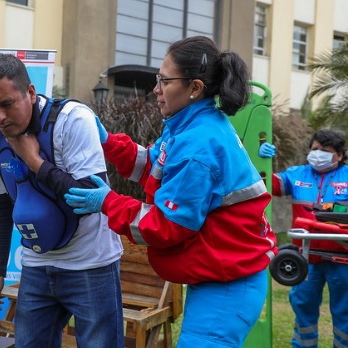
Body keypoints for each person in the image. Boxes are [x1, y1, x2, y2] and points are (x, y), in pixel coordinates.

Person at [64, 36, 278, 348]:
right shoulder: (189, 126)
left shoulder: (198, 144)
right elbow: (152, 166)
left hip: (230, 283)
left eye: (164, 81)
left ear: (194, 88)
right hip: (222, 274)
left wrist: (108, 202)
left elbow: (168, 227)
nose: (156, 89)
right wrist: (108, 142)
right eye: (157, 79)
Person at [0, 53, 124, 348]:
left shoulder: (72, 121)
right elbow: (1, 207)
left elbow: (88, 198)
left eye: (6, 104)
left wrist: (35, 162)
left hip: (90, 264)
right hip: (37, 264)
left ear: (31, 93)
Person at [259, 129, 348, 348]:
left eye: (325, 151)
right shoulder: (296, 174)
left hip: (342, 259)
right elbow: (266, 185)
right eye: (315, 149)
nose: (318, 154)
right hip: (305, 258)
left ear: (339, 155)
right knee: (303, 308)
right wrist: (260, 158)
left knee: (345, 313)